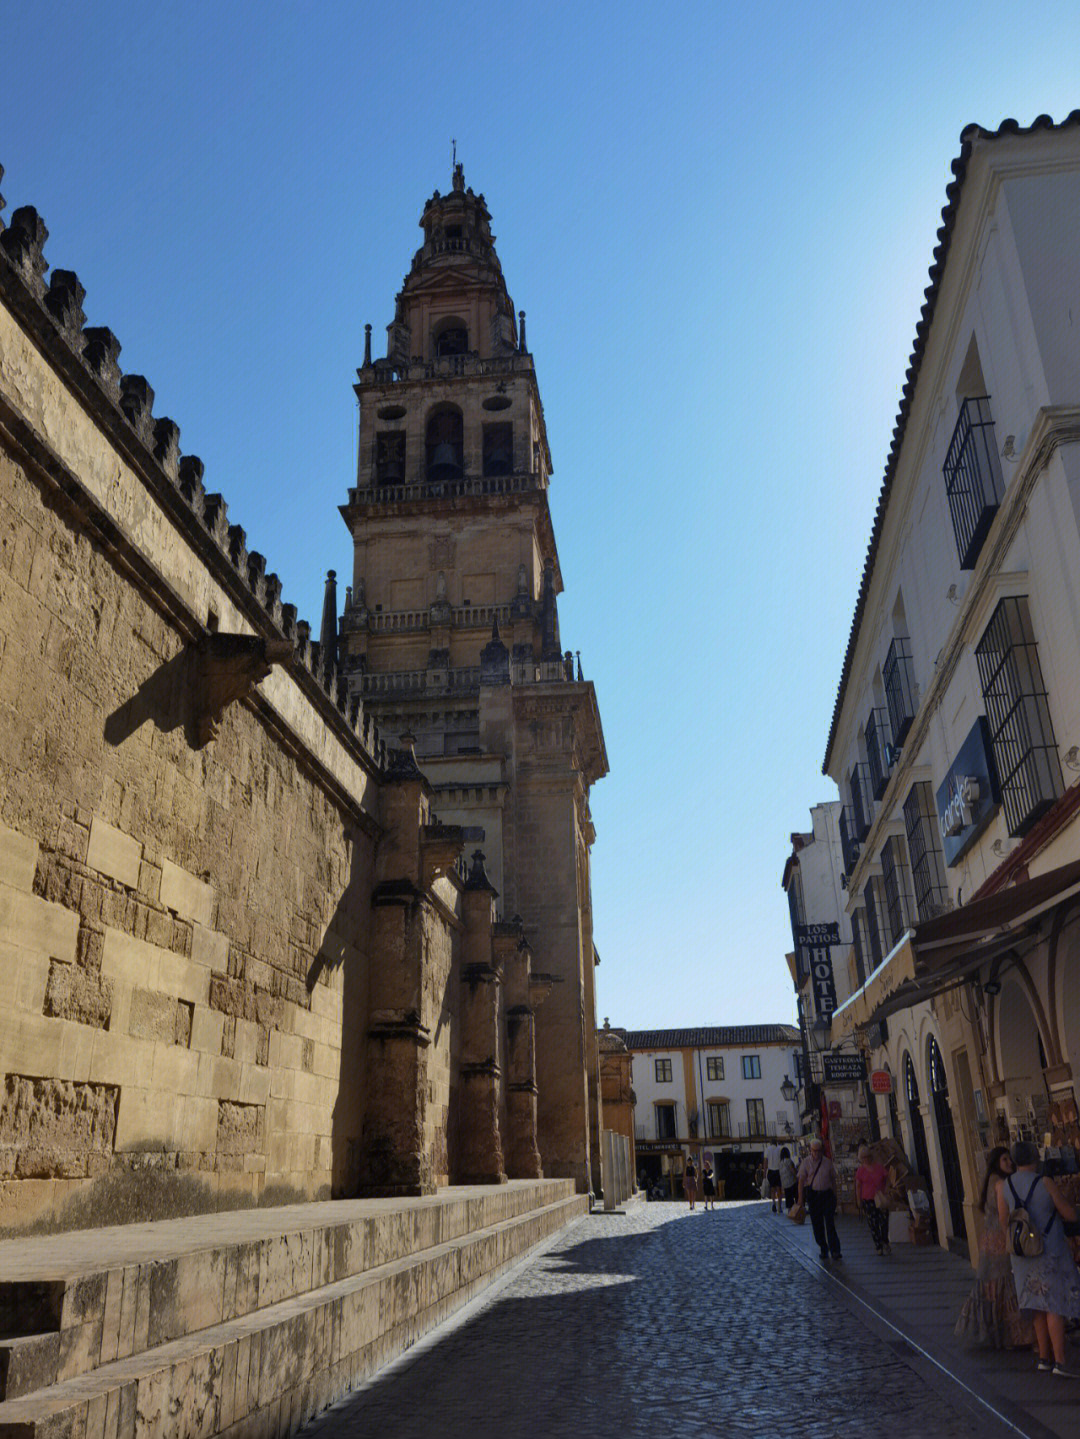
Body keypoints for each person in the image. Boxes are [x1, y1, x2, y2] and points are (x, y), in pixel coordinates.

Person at [996, 1140, 1080, 1376]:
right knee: (1055, 1304)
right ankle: (1061, 1361)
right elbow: (1070, 1214)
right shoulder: (1044, 1182)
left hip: (1022, 1254)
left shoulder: (1006, 1185)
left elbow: (1005, 1221)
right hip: (1048, 1250)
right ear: (1035, 1158)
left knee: (1036, 1305)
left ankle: (1044, 1357)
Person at [955, 1146, 1034, 1349]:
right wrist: (1012, 1238)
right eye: (1004, 1159)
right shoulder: (1000, 1183)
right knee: (1005, 1284)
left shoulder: (989, 1180)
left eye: (1010, 1159)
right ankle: (1014, 1336)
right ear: (996, 1163)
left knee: (991, 1286)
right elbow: (1002, 1216)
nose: (1009, 1163)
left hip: (988, 1242)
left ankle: (996, 1334)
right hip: (999, 1241)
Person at [797, 1136, 842, 1261]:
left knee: (830, 1223)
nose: (816, 1153)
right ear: (810, 1150)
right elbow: (801, 1181)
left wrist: (835, 1196)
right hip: (813, 1196)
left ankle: (835, 1250)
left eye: (818, 1150)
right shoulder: (806, 1162)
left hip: (827, 1195)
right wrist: (800, 1199)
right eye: (814, 1150)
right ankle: (823, 1247)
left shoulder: (827, 1162)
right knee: (817, 1224)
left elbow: (833, 1180)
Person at [854, 1144, 891, 1255]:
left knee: (884, 1221)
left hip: (881, 1197)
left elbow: (888, 1177)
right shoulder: (860, 1171)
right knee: (873, 1223)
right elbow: (858, 1186)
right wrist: (858, 1200)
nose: (866, 1159)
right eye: (864, 1157)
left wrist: (887, 1188)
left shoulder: (879, 1167)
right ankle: (878, 1246)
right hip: (868, 1200)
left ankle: (885, 1241)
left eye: (868, 1156)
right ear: (861, 1159)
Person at [764, 1138, 784, 1213]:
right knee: (779, 1189)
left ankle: (773, 1204)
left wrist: (764, 1173)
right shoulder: (780, 1149)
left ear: (770, 1143)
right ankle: (780, 1206)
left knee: (772, 1189)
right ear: (776, 1143)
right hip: (778, 1171)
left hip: (771, 1171)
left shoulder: (767, 1149)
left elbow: (765, 1162)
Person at [779, 1147, 798, 1212]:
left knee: (788, 1197)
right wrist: (797, 1175)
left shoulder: (780, 1163)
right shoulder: (788, 1161)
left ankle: (790, 1211)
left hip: (785, 1183)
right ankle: (797, 1210)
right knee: (796, 1195)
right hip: (792, 1181)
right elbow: (793, 1170)